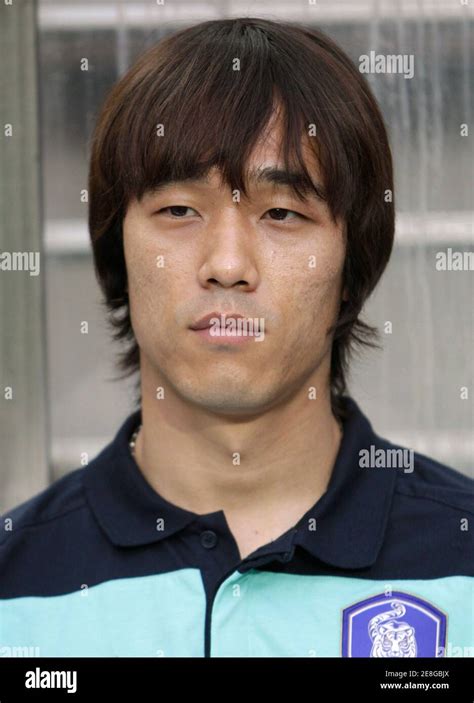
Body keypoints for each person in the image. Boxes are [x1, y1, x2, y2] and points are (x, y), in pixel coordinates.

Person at [1, 17, 472, 658]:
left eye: (281, 213)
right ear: (116, 247)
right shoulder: (14, 590)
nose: (226, 263)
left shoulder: (461, 561)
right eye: (178, 211)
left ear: (352, 260)